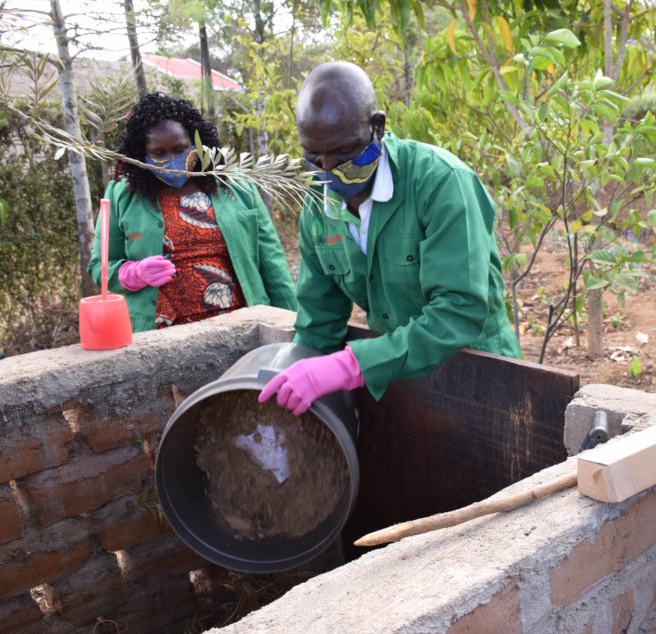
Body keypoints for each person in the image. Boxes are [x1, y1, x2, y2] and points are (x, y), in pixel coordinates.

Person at [258, 61, 521, 415]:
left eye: (344, 154)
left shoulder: (441, 183)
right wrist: (296, 376)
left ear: (377, 126)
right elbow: (318, 322)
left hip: (475, 378)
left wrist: (349, 366)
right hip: (395, 378)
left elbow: (460, 310)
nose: (329, 170)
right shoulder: (319, 208)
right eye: (313, 156)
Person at [88, 93, 297, 332]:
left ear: (197, 144)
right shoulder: (122, 194)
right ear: (141, 155)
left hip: (242, 326)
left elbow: (273, 264)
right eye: (159, 153)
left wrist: (293, 325)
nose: (172, 161)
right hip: (161, 337)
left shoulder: (236, 186)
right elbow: (100, 267)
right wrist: (132, 274)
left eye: (180, 149)